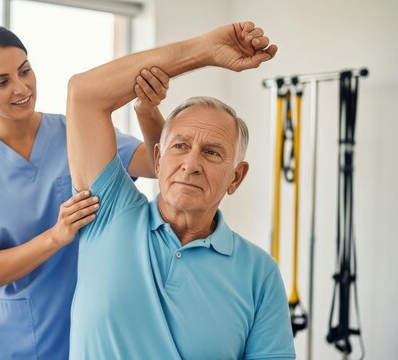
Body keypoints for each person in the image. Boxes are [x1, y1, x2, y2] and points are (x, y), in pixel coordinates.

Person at [66, 22, 296, 359]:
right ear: (158, 159)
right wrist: (204, 50)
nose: (190, 164)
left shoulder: (259, 274)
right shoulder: (107, 212)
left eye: (212, 152)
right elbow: (83, 93)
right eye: (180, 146)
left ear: (236, 177)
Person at [0, 25, 170, 359]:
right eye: (1, 82)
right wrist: (57, 235)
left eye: (25, 71)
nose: (21, 88)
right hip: (12, 343)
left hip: (87, 332)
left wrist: (147, 112)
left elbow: (160, 167)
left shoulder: (74, 130)